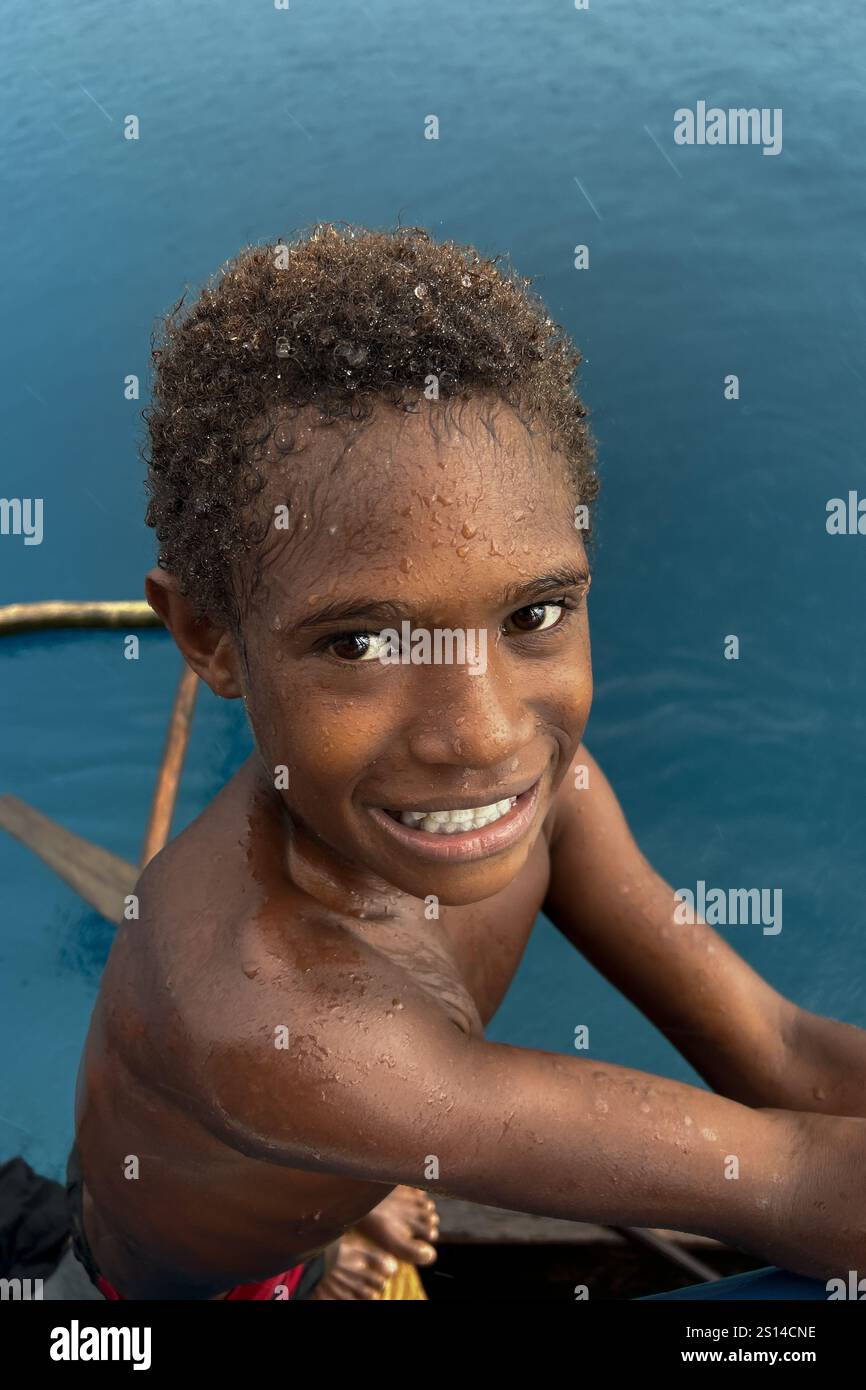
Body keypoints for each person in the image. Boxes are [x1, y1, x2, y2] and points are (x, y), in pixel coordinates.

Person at [72, 222, 866, 1299]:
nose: (484, 734)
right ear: (208, 636)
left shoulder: (548, 797)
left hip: (340, 1140)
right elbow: (779, 1180)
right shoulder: (262, 1013)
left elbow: (780, 1051)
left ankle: (348, 1192)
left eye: (533, 613)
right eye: (358, 643)